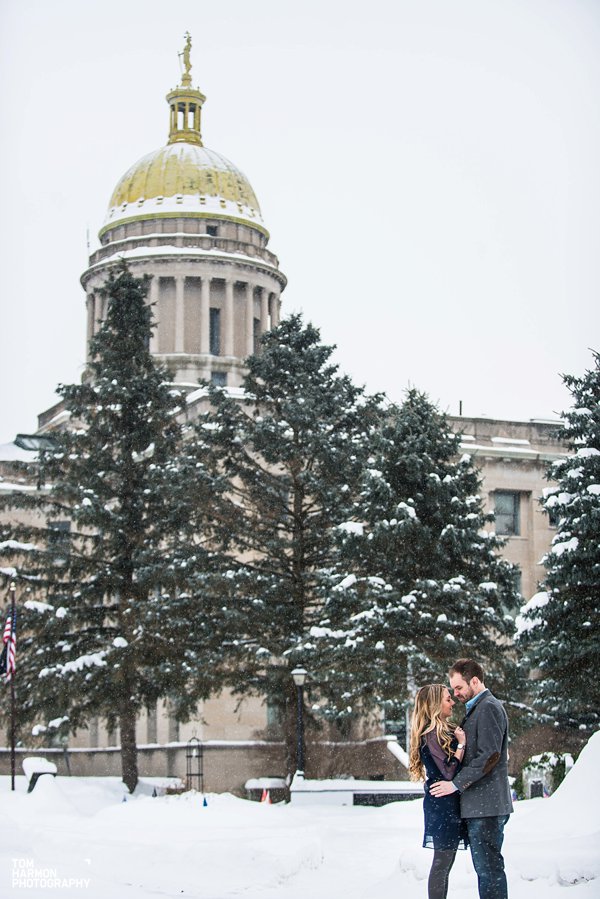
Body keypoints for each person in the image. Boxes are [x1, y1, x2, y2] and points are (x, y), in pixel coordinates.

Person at [430, 658, 513, 899]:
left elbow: (490, 755)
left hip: (487, 807)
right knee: (486, 870)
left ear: (474, 681)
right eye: (452, 689)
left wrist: (455, 784)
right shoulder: (477, 708)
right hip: (479, 807)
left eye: (459, 688)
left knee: (489, 871)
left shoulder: (488, 707)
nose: (455, 694)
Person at [409, 683, 468, 899]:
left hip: (448, 803)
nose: (452, 702)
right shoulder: (431, 734)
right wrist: (461, 745)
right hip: (442, 805)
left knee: (445, 862)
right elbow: (448, 771)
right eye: (447, 699)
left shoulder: (441, 731)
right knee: (442, 862)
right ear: (435, 704)